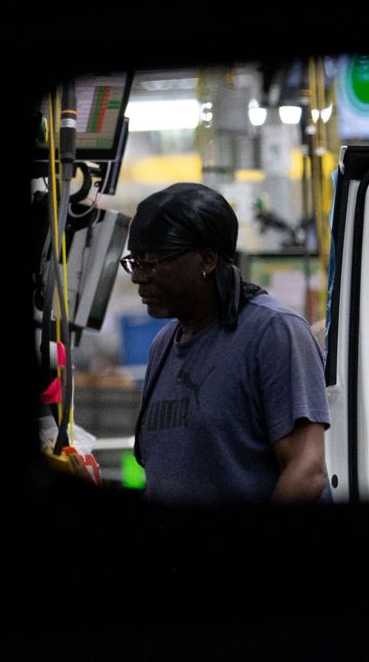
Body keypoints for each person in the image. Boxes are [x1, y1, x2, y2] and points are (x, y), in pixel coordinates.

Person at [126, 183, 330, 505]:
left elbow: (307, 471)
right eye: (133, 262)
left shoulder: (273, 333)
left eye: (150, 264)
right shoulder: (163, 345)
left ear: (207, 259)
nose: (138, 277)